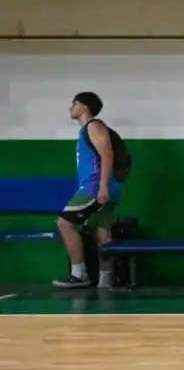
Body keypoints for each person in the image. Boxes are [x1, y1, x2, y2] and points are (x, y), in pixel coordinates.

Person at [53, 91, 124, 289]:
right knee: (100, 229)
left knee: (64, 224)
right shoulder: (89, 129)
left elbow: (107, 155)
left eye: (73, 103)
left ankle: (79, 274)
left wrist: (102, 187)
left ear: (84, 107)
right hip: (105, 186)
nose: (70, 107)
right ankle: (106, 279)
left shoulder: (94, 126)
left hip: (94, 187)